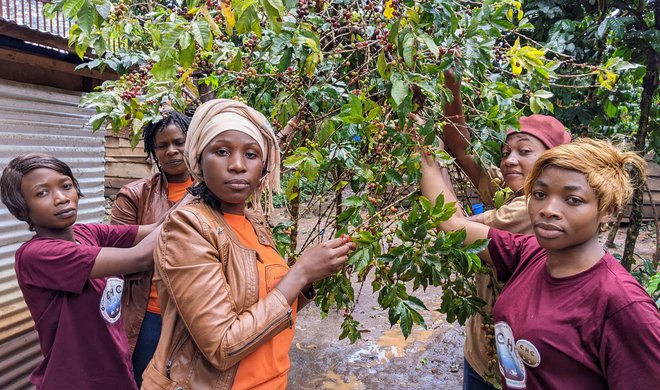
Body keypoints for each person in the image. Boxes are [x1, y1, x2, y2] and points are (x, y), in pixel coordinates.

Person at [141, 99, 356, 389]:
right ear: (199, 161)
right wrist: (301, 273)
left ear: (264, 167)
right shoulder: (187, 227)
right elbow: (222, 346)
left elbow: (265, 304)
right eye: (222, 151)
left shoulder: (254, 222)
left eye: (251, 154)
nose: (238, 165)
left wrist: (310, 276)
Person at [427, 138, 660, 389]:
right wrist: (425, 147)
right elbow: (452, 226)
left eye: (573, 199)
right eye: (540, 194)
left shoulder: (622, 305)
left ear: (608, 210)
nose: (548, 209)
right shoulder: (530, 253)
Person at [428, 70, 571, 389]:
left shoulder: (532, 211)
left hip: (512, 364)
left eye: (524, 151)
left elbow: (453, 228)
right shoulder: (509, 191)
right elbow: (460, 146)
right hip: (482, 350)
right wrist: (452, 80)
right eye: (506, 152)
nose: (509, 160)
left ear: (552, 163)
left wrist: (424, 154)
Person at [0, 153, 164, 389]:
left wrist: (197, 189)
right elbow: (139, 258)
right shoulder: (38, 255)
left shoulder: (87, 234)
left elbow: (157, 229)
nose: (61, 198)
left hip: (117, 375)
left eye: (66, 186)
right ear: (22, 208)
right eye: (42, 193)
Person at [110, 110, 192, 386]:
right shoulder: (134, 195)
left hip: (199, 311)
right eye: (162, 145)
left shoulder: (219, 190)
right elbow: (121, 253)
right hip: (151, 314)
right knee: (146, 381)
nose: (172, 151)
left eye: (179, 142)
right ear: (153, 151)